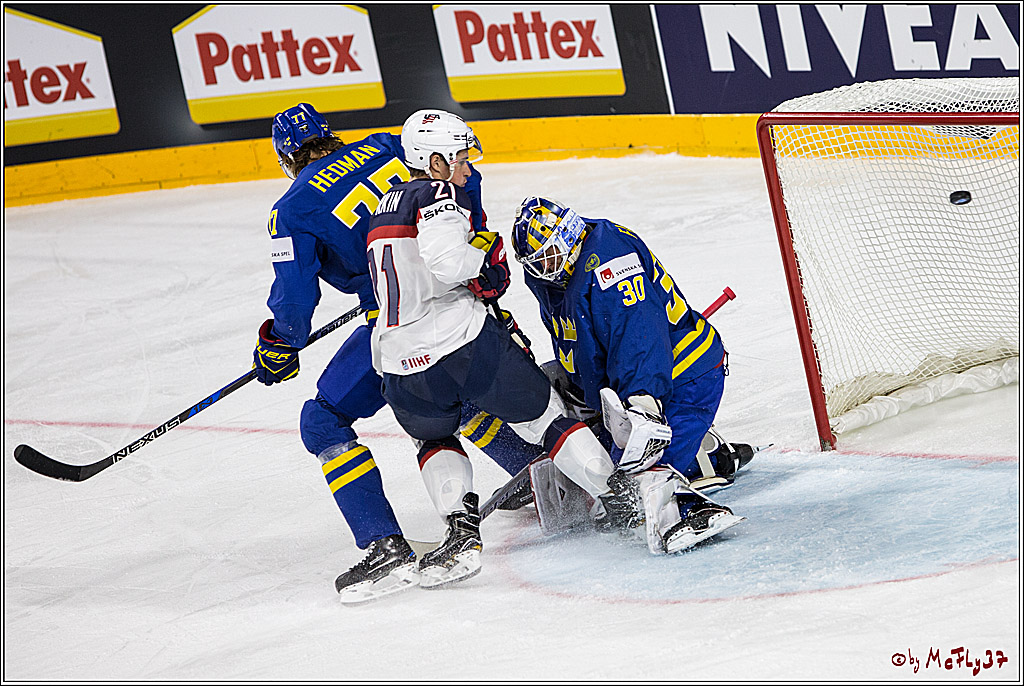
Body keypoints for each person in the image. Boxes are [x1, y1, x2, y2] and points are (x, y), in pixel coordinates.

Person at [251, 103, 540, 604]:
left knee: (322, 421)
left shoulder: (291, 210)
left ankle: (383, 546)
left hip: (397, 323)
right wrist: (468, 255)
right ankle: (534, 467)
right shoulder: (388, 143)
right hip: (460, 301)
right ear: (331, 135)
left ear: (285, 158)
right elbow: (459, 182)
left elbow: (295, 307)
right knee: (453, 386)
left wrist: (278, 343)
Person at [367, 110, 643, 589]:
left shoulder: (382, 208)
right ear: (434, 162)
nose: (467, 170)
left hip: (398, 360)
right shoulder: (438, 193)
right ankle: (618, 494)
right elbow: (449, 260)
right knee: (548, 417)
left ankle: (459, 530)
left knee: (434, 439)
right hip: (460, 342)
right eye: (459, 159)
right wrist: (486, 268)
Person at [509, 197, 749, 554]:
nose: (544, 267)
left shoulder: (611, 262)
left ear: (568, 235)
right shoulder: (553, 269)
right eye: (537, 261)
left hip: (683, 374)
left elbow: (639, 338)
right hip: (625, 383)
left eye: (549, 255)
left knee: (634, 489)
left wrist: (642, 403)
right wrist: (582, 394)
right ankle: (703, 453)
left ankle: (686, 485)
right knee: (611, 481)